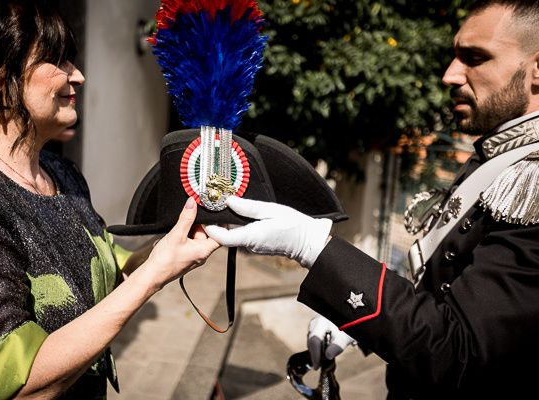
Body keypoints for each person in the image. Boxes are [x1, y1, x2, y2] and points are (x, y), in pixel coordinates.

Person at [206, 0, 539, 398]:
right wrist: (361, 322)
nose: (450, 75)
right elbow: (443, 291)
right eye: (455, 55)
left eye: (475, 58)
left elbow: (458, 354)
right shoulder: (503, 155)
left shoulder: (530, 178)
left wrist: (312, 247)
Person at [0, 1, 219, 398]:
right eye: (58, 61)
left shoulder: (62, 174)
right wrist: (153, 276)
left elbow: (101, 269)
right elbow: (17, 386)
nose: (79, 76)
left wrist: (171, 246)